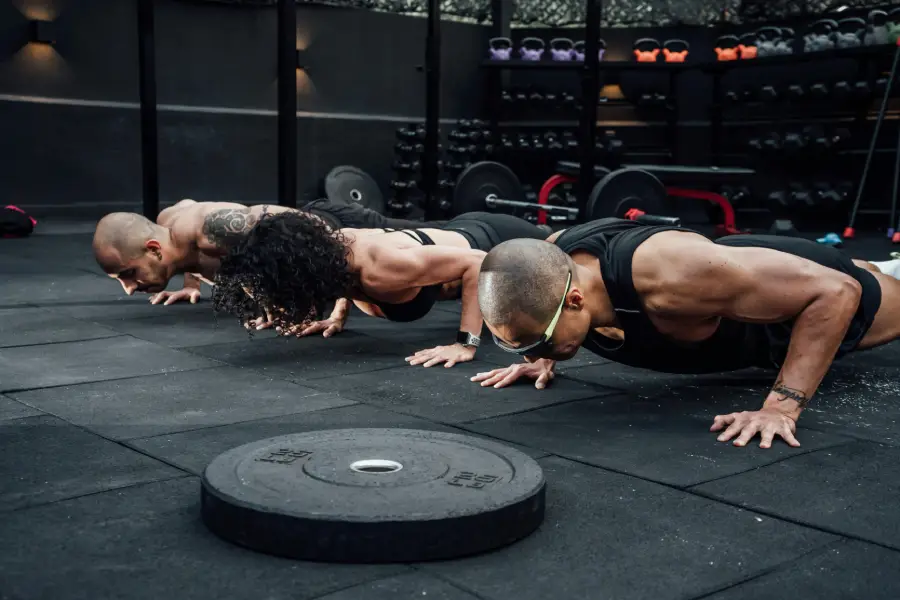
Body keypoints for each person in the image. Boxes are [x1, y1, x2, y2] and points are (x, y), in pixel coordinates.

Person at [471, 218, 900, 449]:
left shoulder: (669, 279)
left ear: (576, 300)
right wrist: (544, 352)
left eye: (538, 341)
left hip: (806, 303)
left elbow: (836, 293)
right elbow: (540, 293)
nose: (530, 354)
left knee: (864, 286)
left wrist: (780, 408)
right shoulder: (555, 256)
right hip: (739, 274)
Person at [210, 210, 551, 368]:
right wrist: (338, 316)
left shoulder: (381, 268)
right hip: (457, 230)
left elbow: (477, 263)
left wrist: (465, 344)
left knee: (566, 258)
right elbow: (339, 275)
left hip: (500, 241)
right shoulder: (333, 259)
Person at [91, 198, 447, 334]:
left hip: (338, 225)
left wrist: (328, 309)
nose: (130, 288)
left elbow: (319, 240)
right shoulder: (169, 228)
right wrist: (190, 284)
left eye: (129, 275)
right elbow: (186, 210)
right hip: (321, 231)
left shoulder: (214, 228)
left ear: (153, 250)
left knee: (438, 236)